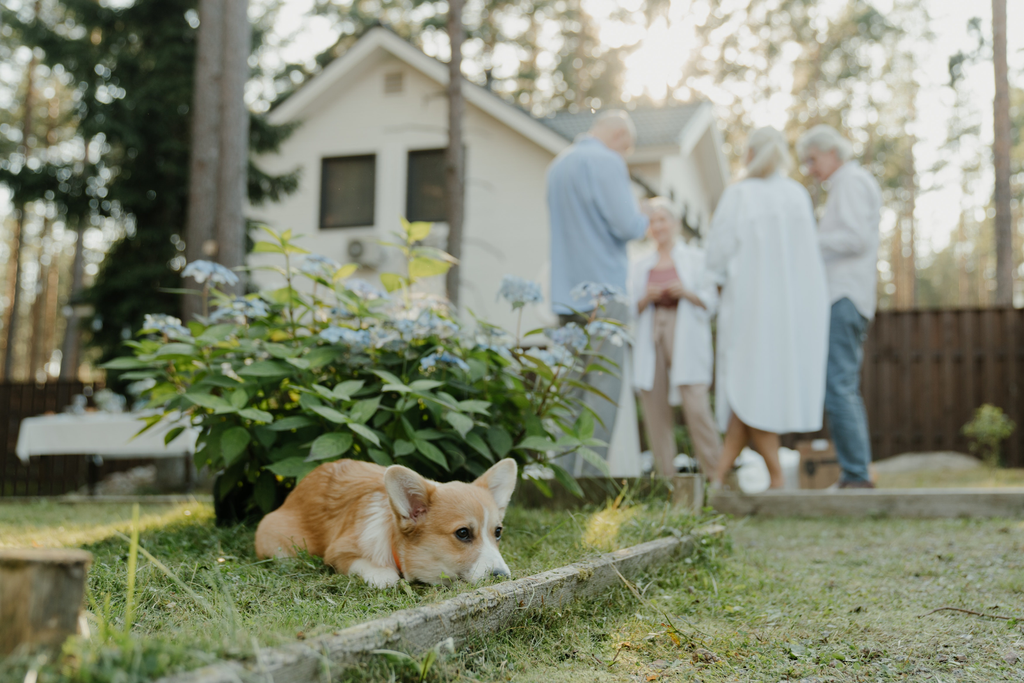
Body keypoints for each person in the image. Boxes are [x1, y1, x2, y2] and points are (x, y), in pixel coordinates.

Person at [705, 127, 830, 489]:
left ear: (750, 154)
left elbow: (717, 252)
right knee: (757, 389)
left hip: (748, 307)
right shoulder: (796, 195)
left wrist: (710, 285)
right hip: (789, 313)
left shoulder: (739, 194)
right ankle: (737, 476)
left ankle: (742, 477)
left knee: (747, 386)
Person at [547, 110, 650, 476]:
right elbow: (628, 225)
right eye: (627, 147)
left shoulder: (558, 165)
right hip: (604, 294)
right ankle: (589, 480)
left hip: (565, 294)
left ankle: (561, 479)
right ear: (620, 136)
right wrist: (645, 215)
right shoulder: (607, 162)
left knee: (570, 389)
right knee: (603, 386)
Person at [797, 124, 882, 488]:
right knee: (841, 384)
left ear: (831, 152)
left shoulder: (850, 182)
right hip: (849, 296)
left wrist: (809, 239)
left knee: (838, 386)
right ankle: (855, 474)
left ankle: (856, 477)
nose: (810, 169)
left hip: (844, 297)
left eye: (812, 160)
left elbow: (854, 239)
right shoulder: (849, 183)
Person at [629, 198, 721, 479]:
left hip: (685, 333)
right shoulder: (639, 263)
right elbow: (629, 307)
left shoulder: (697, 258)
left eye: (663, 219)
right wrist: (647, 298)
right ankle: (666, 480)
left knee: (696, 406)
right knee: (654, 408)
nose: (657, 226)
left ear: (676, 223)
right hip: (652, 333)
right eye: (652, 221)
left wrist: (686, 292)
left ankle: (716, 477)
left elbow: (711, 301)